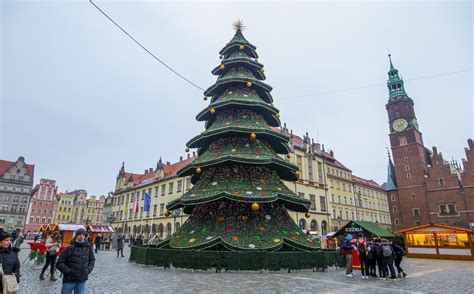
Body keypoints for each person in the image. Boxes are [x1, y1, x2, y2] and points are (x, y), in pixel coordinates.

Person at [56, 228, 95, 294]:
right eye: (79, 235)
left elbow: (92, 260)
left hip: (82, 280)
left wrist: (88, 270)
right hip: (69, 280)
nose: (81, 236)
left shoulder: (88, 248)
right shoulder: (69, 248)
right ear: (76, 236)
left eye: (83, 235)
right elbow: (59, 263)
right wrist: (68, 271)